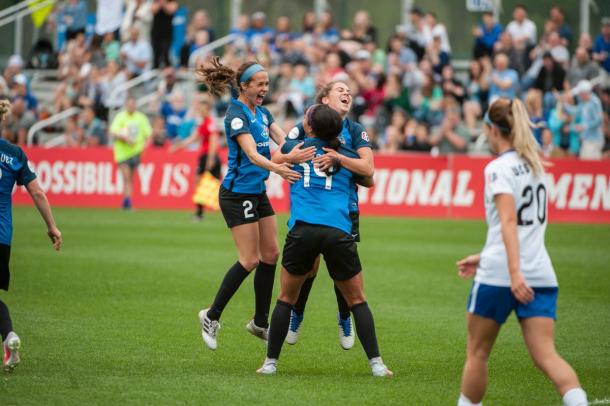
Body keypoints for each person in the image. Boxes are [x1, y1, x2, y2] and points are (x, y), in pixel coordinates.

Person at [455, 98, 587, 406]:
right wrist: (485, 255)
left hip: (503, 275)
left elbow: (510, 222)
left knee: (477, 353)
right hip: (539, 271)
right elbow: (526, 228)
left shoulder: (498, 168)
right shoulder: (536, 164)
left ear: (492, 130)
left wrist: (513, 272)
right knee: (547, 355)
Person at [257, 104, 391, 377]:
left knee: (285, 298)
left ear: (309, 127)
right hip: (338, 231)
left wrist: (290, 157)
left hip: (303, 230)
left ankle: (270, 363)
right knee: (357, 300)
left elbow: (273, 158)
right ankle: (377, 364)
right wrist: (341, 160)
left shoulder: (295, 149)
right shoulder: (346, 154)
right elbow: (368, 180)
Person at [195, 57, 315, 350]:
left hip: (256, 192)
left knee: (271, 254)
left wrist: (304, 151)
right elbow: (251, 154)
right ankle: (211, 316)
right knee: (249, 259)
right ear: (244, 85)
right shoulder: (236, 114)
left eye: (267, 84)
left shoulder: (261, 113)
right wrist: (280, 167)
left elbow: (283, 141)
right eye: (260, 84)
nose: (265, 89)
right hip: (237, 194)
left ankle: (260, 322)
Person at [275, 81, 375, 350]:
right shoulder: (306, 123)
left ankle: (344, 316)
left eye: (349, 91)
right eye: (340, 90)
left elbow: (368, 171)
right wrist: (291, 160)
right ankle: (297, 313)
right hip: (310, 205)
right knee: (308, 267)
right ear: (325, 100)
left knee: (341, 271)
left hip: (345, 208)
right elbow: (284, 150)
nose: (347, 93)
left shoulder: (355, 130)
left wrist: (339, 159)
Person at [0, 99, 62, 371]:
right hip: (2, 237)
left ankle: (10, 337)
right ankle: (10, 337)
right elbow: (37, 192)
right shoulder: (14, 154)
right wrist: (51, 226)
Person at [170, 99, 221, 220]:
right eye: (199, 109)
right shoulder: (203, 124)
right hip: (206, 156)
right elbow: (193, 138)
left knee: (209, 185)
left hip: (209, 156)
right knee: (202, 184)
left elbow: (214, 141)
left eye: (202, 109)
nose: (200, 111)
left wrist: (210, 158)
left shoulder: (210, 123)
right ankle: (200, 212)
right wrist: (178, 146)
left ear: (207, 110)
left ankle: (202, 212)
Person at [109, 96, 152, 209]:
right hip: (123, 153)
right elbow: (113, 132)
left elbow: (148, 135)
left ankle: (126, 200)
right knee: (126, 176)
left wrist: (144, 147)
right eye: (129, 104)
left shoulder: (141, 118)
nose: (131, 106)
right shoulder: (120, 117)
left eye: (133, 104)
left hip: (136, 152)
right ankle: (128, 202)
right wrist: (125, 138)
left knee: (130, 178)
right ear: (126, 105)